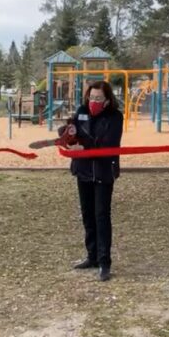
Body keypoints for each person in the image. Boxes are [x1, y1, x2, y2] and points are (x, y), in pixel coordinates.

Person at [61, 81, 123, 282]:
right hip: (83, 171)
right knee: (88, 215)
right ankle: (92, 256)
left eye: (98, 98)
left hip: (103, 172)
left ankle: (105, 262)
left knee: (101, 216)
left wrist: (84, 147)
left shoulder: (115, 117)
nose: (94, 102)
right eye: (91, 97)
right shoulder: (80, 111)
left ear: (107, 100)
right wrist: (67, 136)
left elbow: (107, 144)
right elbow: (75, 134)